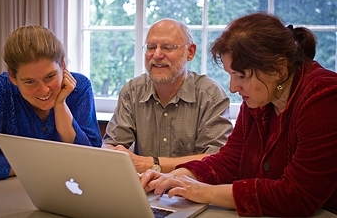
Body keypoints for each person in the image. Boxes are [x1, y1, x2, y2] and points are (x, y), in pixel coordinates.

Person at [140, 12, 337, 217]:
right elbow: (231, 159)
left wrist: (201, 191)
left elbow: (296, 196)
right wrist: (176, 176)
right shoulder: (261, 95)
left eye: (241, 76)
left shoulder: (324, 97)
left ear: (278, 68)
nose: (233, 87)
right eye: (231, 75)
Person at [0, 25, 102, 181]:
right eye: (30, 81)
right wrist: (46, 162)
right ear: (12, 77)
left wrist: (60, 105)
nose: (44, 90)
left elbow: (92, 158)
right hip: (8, 193)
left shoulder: (79, 87)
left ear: (63, 66)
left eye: (50, 76)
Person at [103, 18, 233, 173]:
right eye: (151, 47)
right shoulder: (132, 91)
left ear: (190, 52)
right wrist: (111, 154)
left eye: (167, 47)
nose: (157, 55)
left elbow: (216, 159)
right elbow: (111, 145)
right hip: (143, 191)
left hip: (191, 192)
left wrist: (151, 164)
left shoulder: (210, 96)